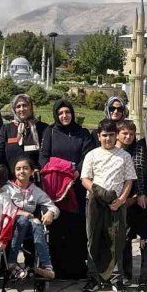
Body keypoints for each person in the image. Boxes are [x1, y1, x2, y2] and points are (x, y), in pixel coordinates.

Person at [39, 99, 97, 279]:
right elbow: (43, 157)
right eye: (61, 113)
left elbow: (87, 156)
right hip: (56, 188)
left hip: (76, 186)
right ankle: (57, 266)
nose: (65, 116)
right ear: (56, 115)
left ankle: (77, 267)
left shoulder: (82, 133)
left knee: (76, 227)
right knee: (57, 226)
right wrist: (58, 171)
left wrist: (76, 173)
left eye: (68, 112)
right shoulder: (50, 132)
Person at [81, 119, 137, 292]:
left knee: (116, 240)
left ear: (116, 136)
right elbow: (85, 179)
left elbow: (129, 181)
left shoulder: (124, 156)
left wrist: (121, 200)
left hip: (116, 204)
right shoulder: (92, 155)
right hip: (95, 203)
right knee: (93, 239)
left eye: (111, 135)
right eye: (104, 135)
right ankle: (93, 278)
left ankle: (116, 278)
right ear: (99, 136)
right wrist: (97, 192)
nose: (108, 139)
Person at [6, 157, 59, 280]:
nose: (21, 171)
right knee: (24, 220)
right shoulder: (7, 188)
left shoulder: (36, 191)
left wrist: (50, 213)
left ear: (31, 172)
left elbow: (54, 207)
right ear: (14, 172)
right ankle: (12, 262)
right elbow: (2, 207)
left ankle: (46, 266)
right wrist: (21, 212)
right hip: (10, 226)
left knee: (36, 222)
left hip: (28, 228)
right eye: (18, 169)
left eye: (25, 168)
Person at [114, 119, 142, 284]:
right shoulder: (111, 151)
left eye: (132, 134)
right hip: (113, 199)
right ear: (118, 134)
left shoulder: (136, 151)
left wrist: (134, 196)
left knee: (126, 237)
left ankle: (126, 272)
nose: (128, 137)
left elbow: (137, 177)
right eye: (125, 133)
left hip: (130, 200)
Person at [4, 93, 48, 172]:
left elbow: (46, 152)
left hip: (36, 175)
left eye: (25, 105)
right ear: (14, 109)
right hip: (12, 178)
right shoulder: (6, 129)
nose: (22, 109)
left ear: (30, 107)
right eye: (18, 106)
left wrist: (40, 168)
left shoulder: (43, 128)